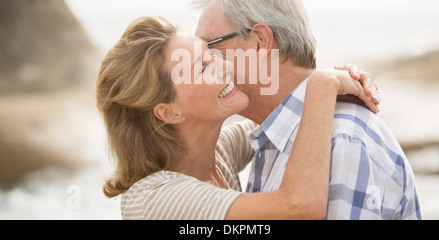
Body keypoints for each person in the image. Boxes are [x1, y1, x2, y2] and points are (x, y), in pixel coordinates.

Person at [96, 16, 379, 219]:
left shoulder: (217, 156)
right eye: (203, 67)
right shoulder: (156, 199)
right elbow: (300, 207)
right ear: (169, 111)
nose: (222, 64)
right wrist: (322, 85)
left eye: (210, 53)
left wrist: (334, 78)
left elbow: (281, 118)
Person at [193, 0, 421, 219]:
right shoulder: (274, 132)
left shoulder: (341, 139)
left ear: (259, 42)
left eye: (210, 48)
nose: (203, 63)